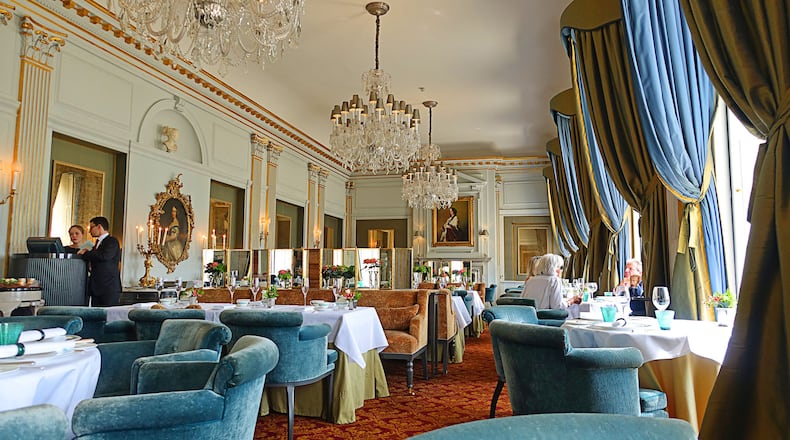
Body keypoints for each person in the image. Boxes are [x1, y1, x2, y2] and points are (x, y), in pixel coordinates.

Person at [78, 216, 121, 306]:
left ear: (99, 227)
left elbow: (104, 256)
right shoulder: (97, 244)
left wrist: (86, 253)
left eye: (91, 228)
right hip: (97, 288)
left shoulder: (112, 241)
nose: (90, 231)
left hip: (109, 288)